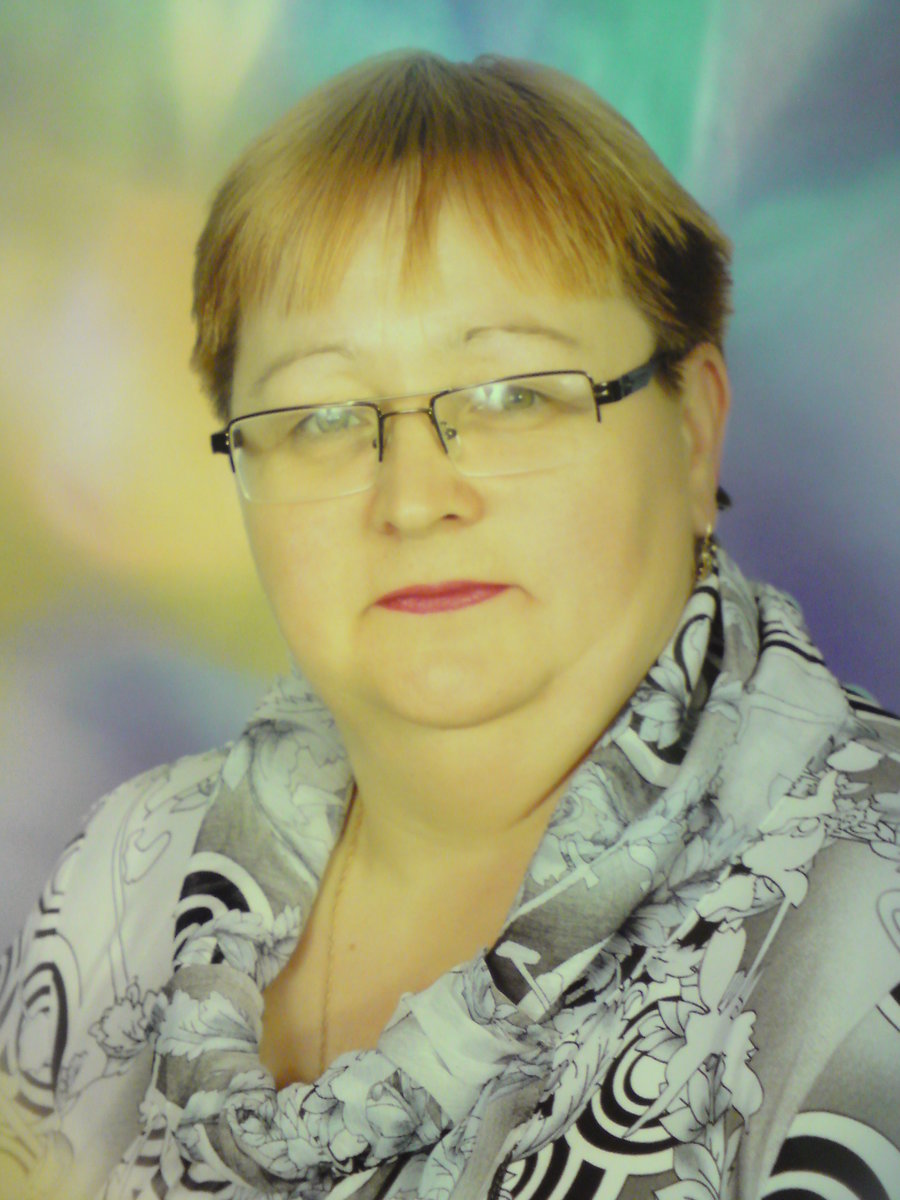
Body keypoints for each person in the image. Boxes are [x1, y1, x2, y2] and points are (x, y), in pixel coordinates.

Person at [1, 50, 898, 1200]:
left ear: (693, 430)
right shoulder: (121, 867)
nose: (414, 493)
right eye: (321, 414)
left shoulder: (859, 928)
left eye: (514, 396)